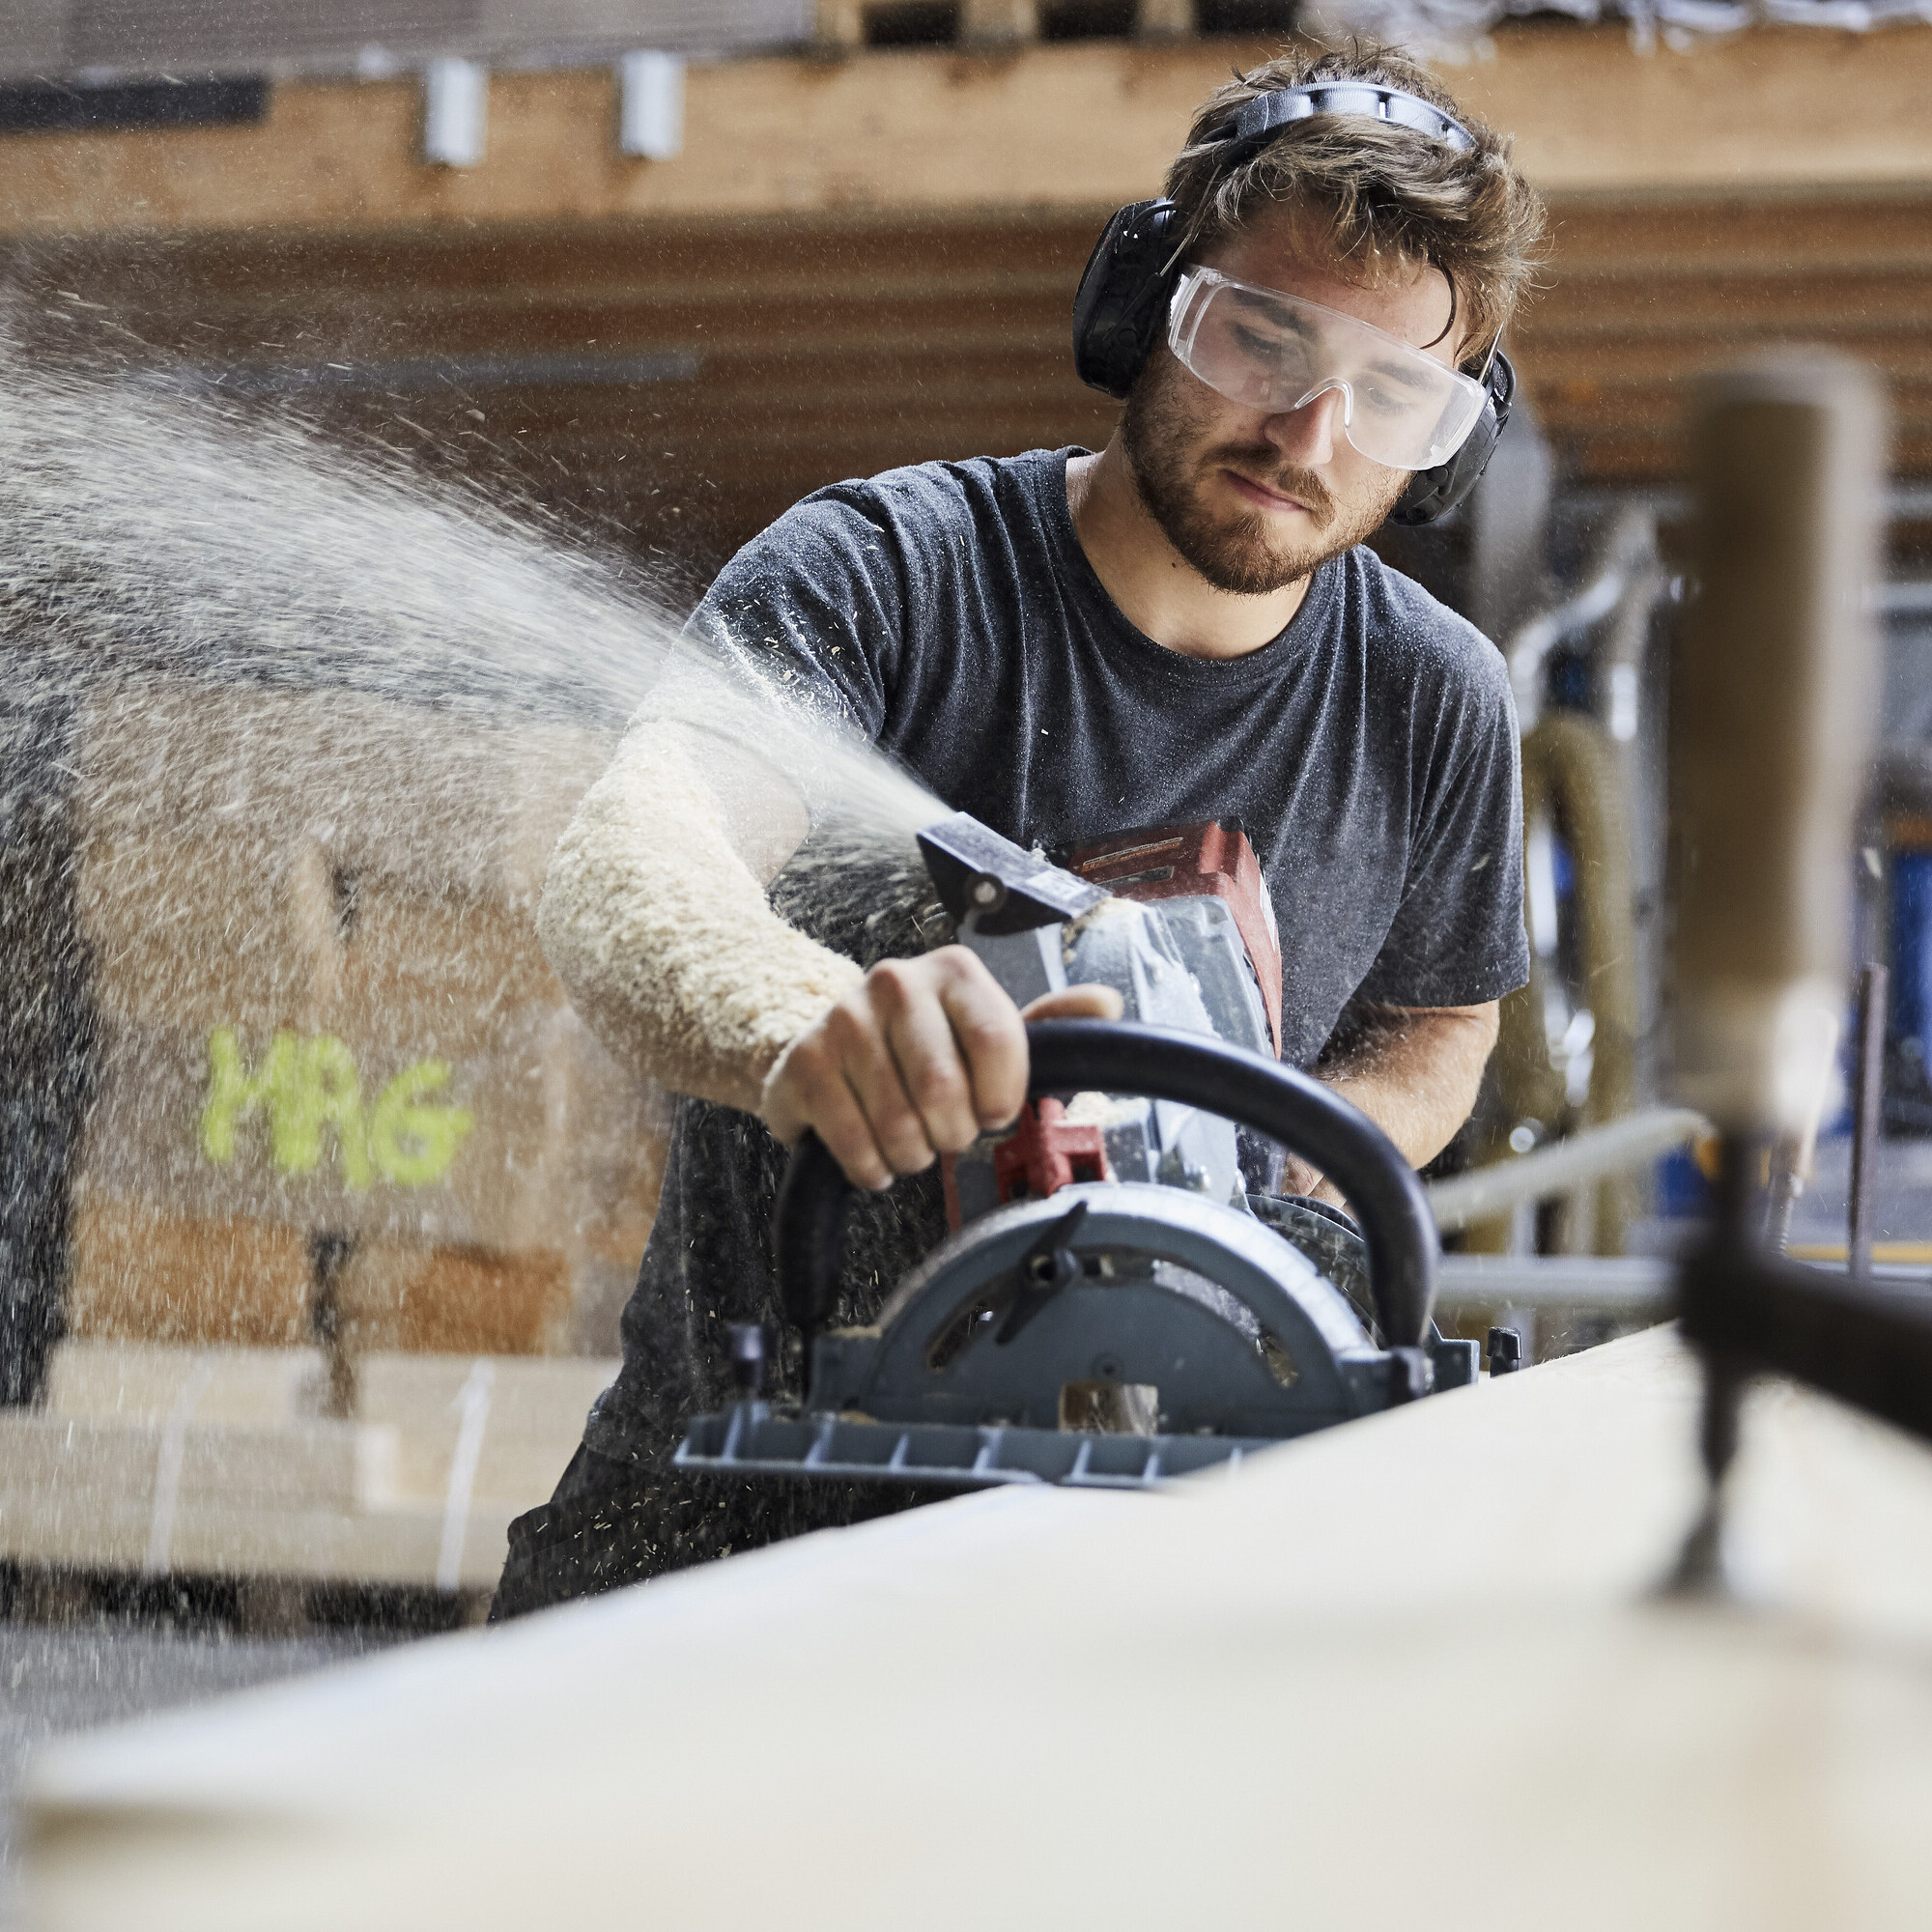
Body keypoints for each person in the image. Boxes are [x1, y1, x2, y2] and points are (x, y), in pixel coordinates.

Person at [492, 42, 1546, 1617]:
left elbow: (1442, 1025)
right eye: (1261, 341)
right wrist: (816, 1028)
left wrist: (1264, 1168)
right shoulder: (886, 575)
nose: (1309, 437)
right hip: (730, 1508)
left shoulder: (1437, 698)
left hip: (1181, 1535)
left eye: (1389, 395)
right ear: (1143, 307)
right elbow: (635, 852)